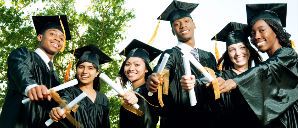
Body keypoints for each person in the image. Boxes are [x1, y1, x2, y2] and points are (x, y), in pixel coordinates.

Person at [219, 3, 298, 128]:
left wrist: (236, 81)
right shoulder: (272, 60)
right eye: (253, 33)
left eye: (262, 30)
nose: (256, 36)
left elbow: (267, 68)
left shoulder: (287, 54)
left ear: (275, 30)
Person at [146, 1, 218, 128]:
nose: (182, 26)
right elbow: (161, 70)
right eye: (176, 24)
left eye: (186, 21)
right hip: (179, 120)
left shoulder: (209, 56)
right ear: (173, 31)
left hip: (208, 119)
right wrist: (153, 78)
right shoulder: (171, 54)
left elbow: (217, 83)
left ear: (194, 25)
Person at [0, 15, 71, 128]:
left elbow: (64, 96)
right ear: (39, 37)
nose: (58, 39)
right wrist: (31, 86)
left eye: (62, 38)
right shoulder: (24, 55)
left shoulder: (55, 77)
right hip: (18, 123)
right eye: (52, 34)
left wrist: (62, 108)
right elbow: (19, 68)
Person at [211, 22, 263, 128]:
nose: (238, 53)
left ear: (249, 49)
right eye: (232, 49)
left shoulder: (261, 74)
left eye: (242, 47)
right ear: (228, 54)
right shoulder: (222, 76)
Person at [49, 44, 112, 128]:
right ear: (76, 70)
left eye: (90, 68)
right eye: (81, 67)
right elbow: (64, 102)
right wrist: (58, 110)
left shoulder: (103, 99)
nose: (85, 71)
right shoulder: (69, 92)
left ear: (97, 73)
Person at [118, 39, 162, 128]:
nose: (131, 68)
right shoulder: (129, 95)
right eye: (127, 64)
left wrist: (138, 99)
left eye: (137, 65)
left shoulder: (153, 91)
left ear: (146, 69)